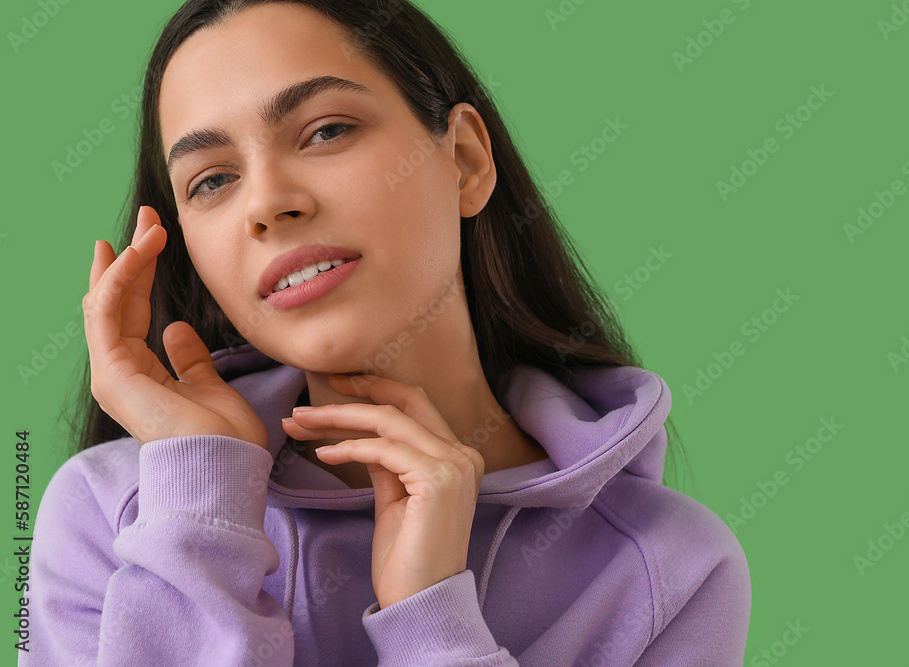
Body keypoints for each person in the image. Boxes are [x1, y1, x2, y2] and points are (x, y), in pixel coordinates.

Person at [23, 0, 751, 664]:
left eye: (327, 130)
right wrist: (202, 507)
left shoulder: (671, 570)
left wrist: (431, 619)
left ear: (465, 159)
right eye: (211, 180)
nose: (269, 203)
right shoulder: (106, 515)